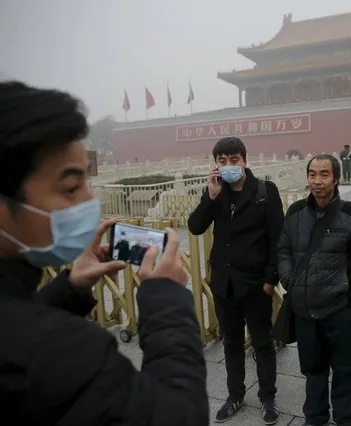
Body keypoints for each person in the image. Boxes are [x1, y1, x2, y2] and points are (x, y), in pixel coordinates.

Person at [0, 81, 208, 425]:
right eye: (70, 187)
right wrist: (166, 300)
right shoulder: (66, 353)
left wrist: (70, 289)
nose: (90, 201)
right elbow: (181, 415)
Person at [187, 136, 284, 424]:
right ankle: (235, 394)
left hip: (255, 285)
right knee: (231, 343)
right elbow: (194, 227)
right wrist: (210, 196)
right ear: (215, 164)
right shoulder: (217, 192)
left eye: (233, 160)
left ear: (244, 160)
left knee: (263, 343)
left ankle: (268, 398)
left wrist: (270, 279)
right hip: (224, 285)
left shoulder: (266, 191)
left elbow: (277, 238)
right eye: (222, 161)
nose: (228, 165)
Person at [277, 154, 351, 426]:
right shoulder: (295, 212)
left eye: (324, 175)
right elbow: (283, 249)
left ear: (336, 179)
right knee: (313, 369)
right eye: (312, 174)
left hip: (339, 308)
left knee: (344, 369)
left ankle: (345, 418)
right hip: (305, 308)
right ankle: (315, 418)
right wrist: (288, 280)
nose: (317, 181)